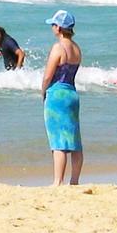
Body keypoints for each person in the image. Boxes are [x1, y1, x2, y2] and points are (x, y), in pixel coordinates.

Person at [41, 10, 82, 186]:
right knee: (74, 139)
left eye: (53, 25)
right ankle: (74, 181)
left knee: (58, 140)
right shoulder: (76, 48)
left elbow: (48, 76)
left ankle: (58, 181)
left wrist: (43, 91)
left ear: (58, 27)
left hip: (57, 94)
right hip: (72, 93)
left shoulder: (58, 48)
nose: (52, 28)